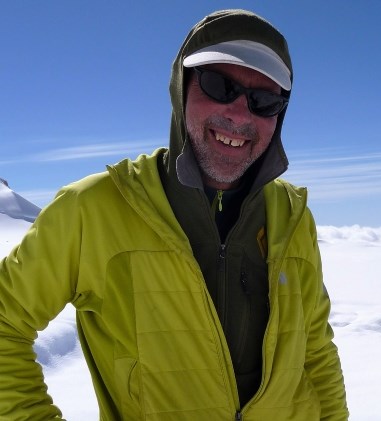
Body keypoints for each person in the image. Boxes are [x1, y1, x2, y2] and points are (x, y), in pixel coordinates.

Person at [0, 9, 349, 420]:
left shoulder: (291, 215)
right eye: (220, 85)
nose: (239, 116)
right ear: (181, 89)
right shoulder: (95, 208)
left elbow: (314, 348)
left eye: (264, 100)